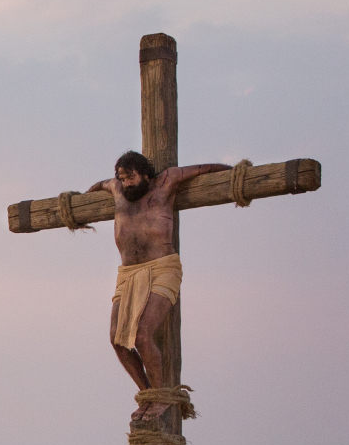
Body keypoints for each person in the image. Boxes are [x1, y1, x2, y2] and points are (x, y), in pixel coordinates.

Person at [82, 153, 235, 426]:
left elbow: (206, 169)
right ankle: (147, 393)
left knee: (142, 335)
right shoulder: (116, 188)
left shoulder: (167, 182)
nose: (125, 183)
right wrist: (78, 205)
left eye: (130, 177)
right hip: (128, 274)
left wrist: (236, 175)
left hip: (163, 268)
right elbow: (97, 187)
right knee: (117, 339)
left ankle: (162, 395)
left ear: (146, 174)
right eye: (122, 177)